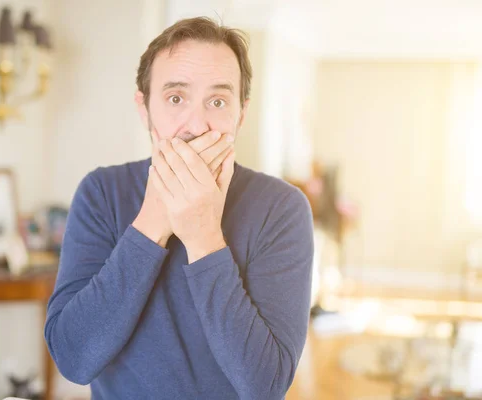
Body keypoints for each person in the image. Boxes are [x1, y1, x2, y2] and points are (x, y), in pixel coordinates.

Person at [44, 17, 314, 400]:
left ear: (241, 113)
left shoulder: (282, 209)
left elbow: (265, 387)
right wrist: (152, 222)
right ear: (144, 108)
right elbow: (74, 360)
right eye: (175, 98)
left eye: (218, 101)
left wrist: (204, 237)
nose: (197, 124)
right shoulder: (101, 192)